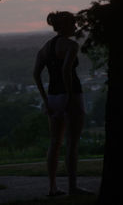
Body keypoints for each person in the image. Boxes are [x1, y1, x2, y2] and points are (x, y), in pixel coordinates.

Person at [33, 11, 89, 196]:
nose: (75, 27)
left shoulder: (46, 48)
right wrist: (70, 98)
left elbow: (36, 74)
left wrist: (45, 100)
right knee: (72, 143)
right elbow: (66, 71)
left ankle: (52, 187)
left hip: (52, 97)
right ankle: (73, 187)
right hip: (71, 95)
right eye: (73, 24)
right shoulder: (71, 46)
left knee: (54, 143)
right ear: (66, 26)